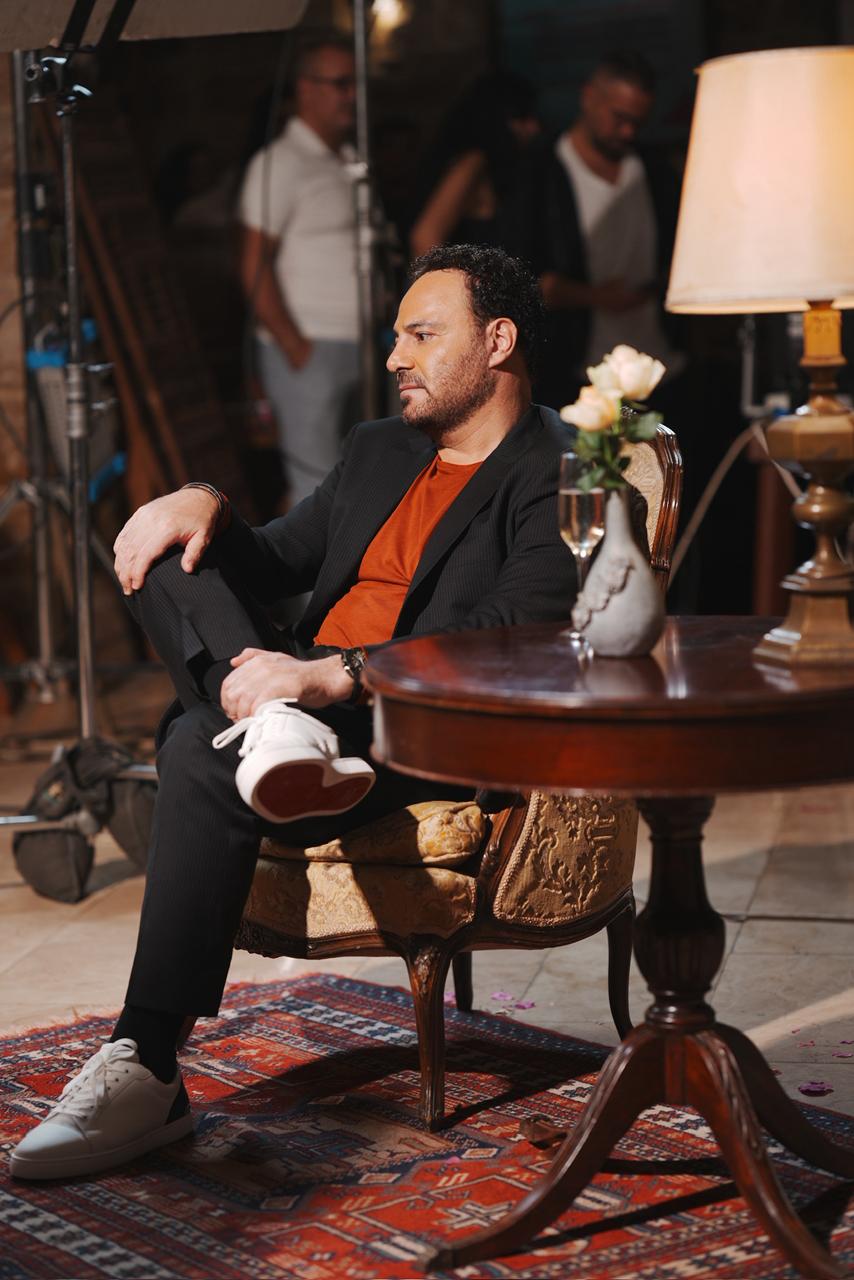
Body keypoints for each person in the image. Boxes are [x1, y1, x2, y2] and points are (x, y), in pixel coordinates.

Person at [10, 244, 577, 1181]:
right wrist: (202, 502)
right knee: (170, 552)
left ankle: (146, 1064)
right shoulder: (380, 447)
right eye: (396, 336)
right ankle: (278, 736)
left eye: (421, 335)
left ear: (499, 341)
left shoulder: (556, 468)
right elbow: (274, 558)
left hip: (408, 728)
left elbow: (510, 633)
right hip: (302, 706)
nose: (395, 356)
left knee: (199, 742)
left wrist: (332, 679)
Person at [237, 33, 361, 508]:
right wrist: (294, 346)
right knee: (317, 489)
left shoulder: (347, 158)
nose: (352, 96)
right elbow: (253, 261)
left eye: (356, 84)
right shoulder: (280, 163)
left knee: (363, 482)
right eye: (341, 84)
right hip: (310, 345)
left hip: (361, 343)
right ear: (306, 88)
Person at [533, 50, 684, 411]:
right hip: (578, 376)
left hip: (661, 367)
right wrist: (597, 296)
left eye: (638, 122)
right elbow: (529, 280)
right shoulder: (541, 174)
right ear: (588, 97)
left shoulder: (653, 170)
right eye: (619, 118)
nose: (628, 131)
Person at [409, 71, 542, 262]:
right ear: (495, 119)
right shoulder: (472, 163)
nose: (533, 128)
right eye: (521, 118)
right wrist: (463, 280)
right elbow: (424, 239)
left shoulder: (495, 169)